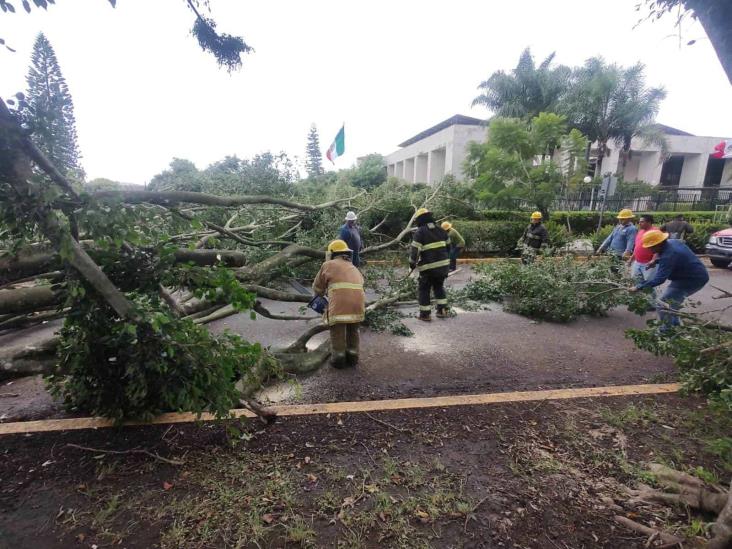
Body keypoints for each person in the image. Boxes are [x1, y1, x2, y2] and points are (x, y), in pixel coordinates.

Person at [629, 230, 709, 330]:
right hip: (688, 275)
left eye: (650, 246)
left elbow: (659, 279)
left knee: (663, 304)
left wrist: (638, 287)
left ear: (658, 244)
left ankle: (666, 331)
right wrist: (656, 260)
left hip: (692, 279)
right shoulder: (672, 242)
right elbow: (676, 256)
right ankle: (675, 326)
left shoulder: (669, 255)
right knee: (671, 304)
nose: (649, 249)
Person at [312, 240, 366, 368]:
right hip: (358, 306)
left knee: (337, 332)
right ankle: (353, 357)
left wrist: (320, 296)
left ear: (331, 253)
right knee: (353, 331)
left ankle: (338, 359)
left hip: (340, 307)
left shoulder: (327, 265)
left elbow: (317, 287)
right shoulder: (354, 268)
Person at [410, 208, 450, 321]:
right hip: (443, 267)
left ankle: (425, 314)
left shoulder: (420, 232)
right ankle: (442, 310)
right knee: (439, 286)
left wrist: (412, 263)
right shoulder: (441, 230)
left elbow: (415, 250)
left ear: (419, 219)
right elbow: (448, 247)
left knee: (424, 289)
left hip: (428, 268)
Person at [630, 214, 660, 303]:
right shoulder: (640, 232)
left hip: (649, 263)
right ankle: (639, 301)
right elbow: (637, 247)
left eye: (642, 221)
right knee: (636, 281)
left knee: (649, 283)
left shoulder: (655, 232)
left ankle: (653, 303)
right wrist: (631, 259)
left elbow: (658, 248)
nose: (639, 223)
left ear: (649, 222)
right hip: (637, 262)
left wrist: (653, 260)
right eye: (639, 221)